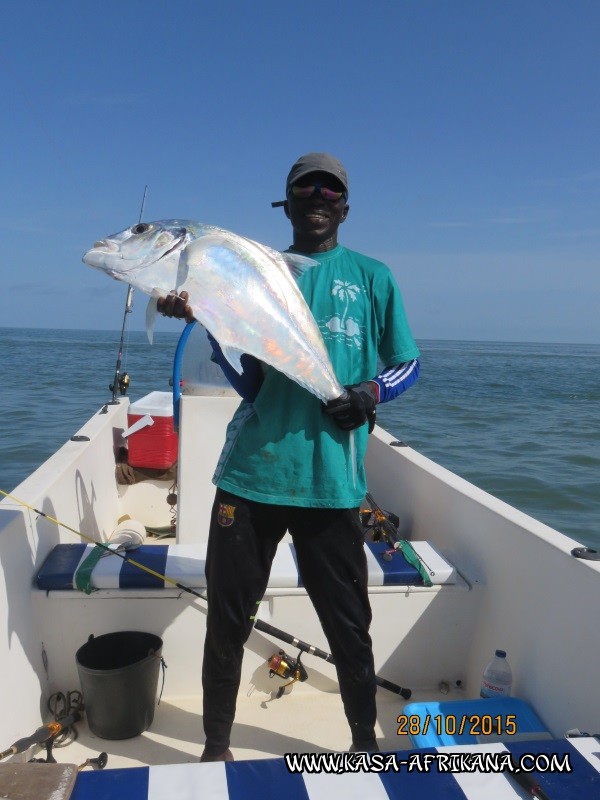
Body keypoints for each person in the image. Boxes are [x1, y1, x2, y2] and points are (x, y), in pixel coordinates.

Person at [158, 152, 420, 760]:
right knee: (227, 624)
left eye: (331, 192)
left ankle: (364, 748)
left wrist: (371, 393)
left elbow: (408, 363)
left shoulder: (374, 278)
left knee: (350, 632)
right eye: (306, 190)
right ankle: (216, 750)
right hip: (251, 478)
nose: (319, 199)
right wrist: (201, 319)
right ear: (289, 203)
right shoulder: (258, 272)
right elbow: (252, 385)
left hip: (332, 485)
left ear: (345, 209)